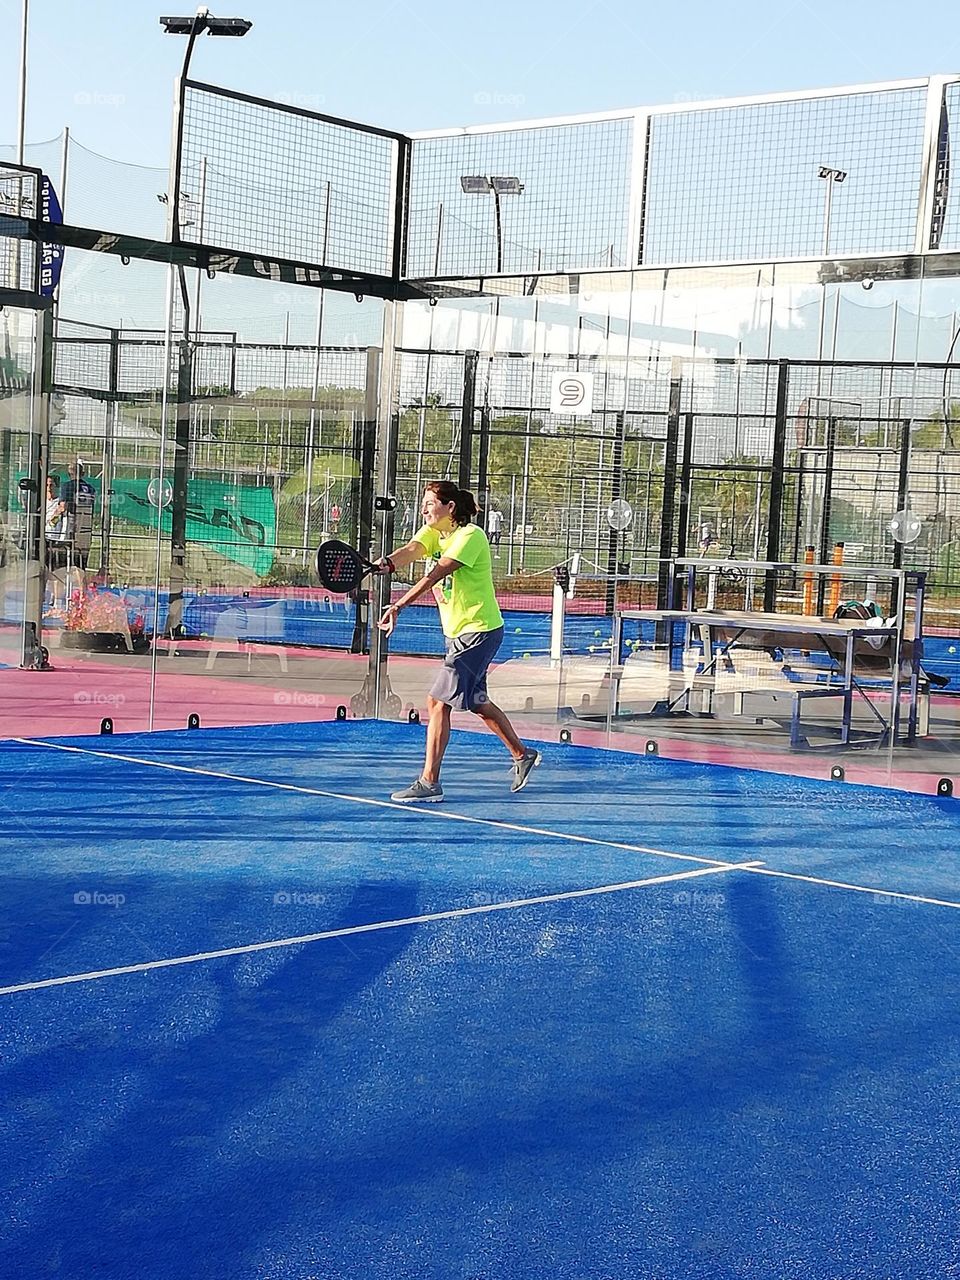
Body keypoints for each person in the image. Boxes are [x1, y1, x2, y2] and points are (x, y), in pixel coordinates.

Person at [376, 480, 541, 803]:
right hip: (460, 634)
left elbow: (436, 573)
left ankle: (429, 782)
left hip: (478, 631)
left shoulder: (470, 536)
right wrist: (389, 563)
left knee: (437, 702)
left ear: (450, 508)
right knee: (478, 702)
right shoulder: (433, 534)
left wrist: (398, 605)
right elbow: (411, 551)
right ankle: (522, 754)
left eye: (430, 503)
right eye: (423, 503)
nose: (424, 508)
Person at [60, 461, 95, 591]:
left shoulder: (68, 486)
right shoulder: (90, 488)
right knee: (81, 564)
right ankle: (82, 593)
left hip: (72, 526)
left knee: (64, 562)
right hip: (86, 527)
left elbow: (63, 506)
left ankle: (61, 594)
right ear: (83, 473)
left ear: (69, 473)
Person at [43, 474, 69, 610]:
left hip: (55, 538)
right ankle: (41, 594)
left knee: (55, 569)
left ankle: (55, 597)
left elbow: (59, 515)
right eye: (47, 485)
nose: (49, 488)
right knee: (42, 568)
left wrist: (54, 517)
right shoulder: (40, 501)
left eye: (51, 485)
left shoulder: (59, 502)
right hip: (43, 538)